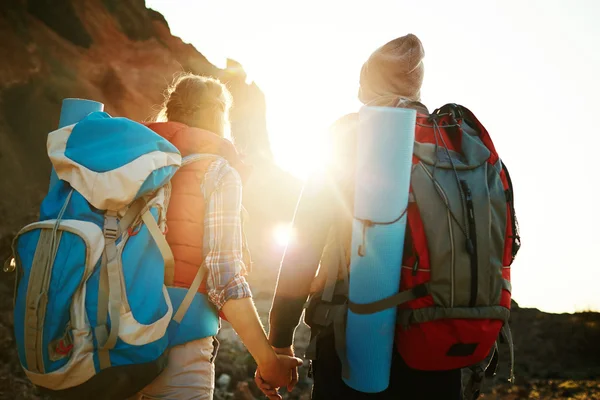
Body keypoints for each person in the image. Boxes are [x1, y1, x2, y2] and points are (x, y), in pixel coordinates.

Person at [256, 34, 464, 399]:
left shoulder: (348, 135)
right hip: (437, 343)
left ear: (367, 84)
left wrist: (280, 340)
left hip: (352, 339)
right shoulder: (452, 143)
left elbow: (304, 244)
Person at [132, 73, 302, 399]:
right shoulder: (218, 172)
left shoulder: (131, 165)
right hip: (179, 349)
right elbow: (224, 277)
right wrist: (268, 360)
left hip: (111, 343)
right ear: (219, 116)